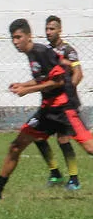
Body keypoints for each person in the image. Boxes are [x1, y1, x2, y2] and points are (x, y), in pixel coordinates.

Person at [0, 18, 93, 200]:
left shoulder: (41, 52)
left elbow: (58, 81)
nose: (15, 42)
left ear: (29, 36)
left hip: (64, 109)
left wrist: (26, 90)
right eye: (13, 38)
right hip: (47, 111)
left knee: (89, 148)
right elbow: (43, 78)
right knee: (16, 146)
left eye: (18, 37)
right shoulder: (32, 54)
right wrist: (24, 84)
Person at [33, 15, 84, 190]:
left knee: (63, 139)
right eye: (46, 29)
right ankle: (55, 173)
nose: (48, 32)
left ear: (60, 30)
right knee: (37, 136)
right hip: (48, 104)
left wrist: (68, 90)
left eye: (52, 29)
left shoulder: (68, 51)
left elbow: (78, 73)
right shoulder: (45, 52)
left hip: (64, 104)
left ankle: (74, 179)